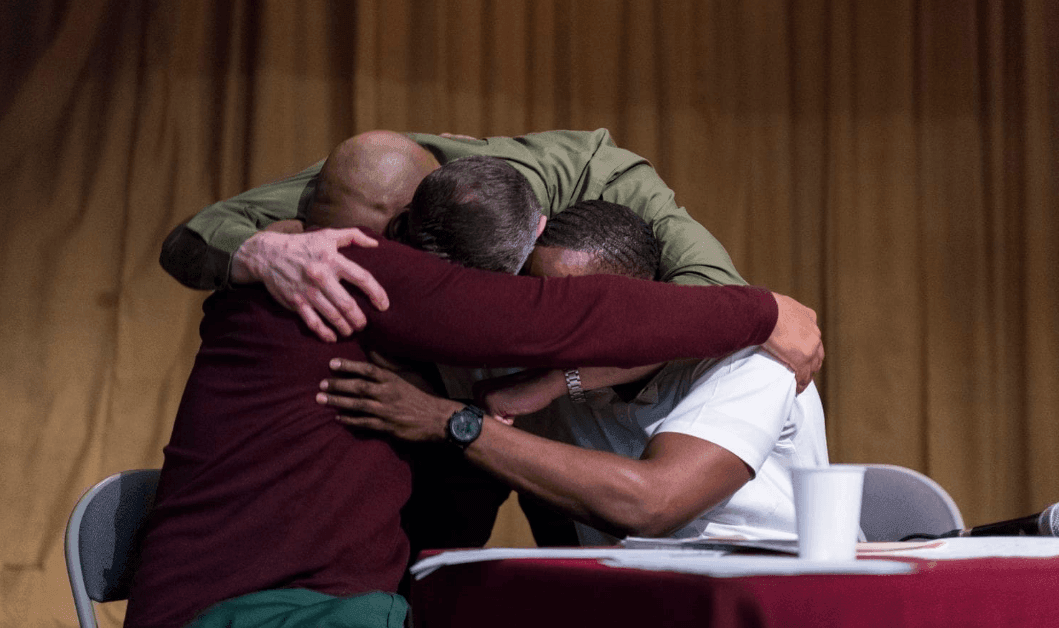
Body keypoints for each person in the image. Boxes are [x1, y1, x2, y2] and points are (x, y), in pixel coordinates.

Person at [127, 144, 814, 628]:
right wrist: (764, 310)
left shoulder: (318, 269)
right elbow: (568, 319)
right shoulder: (370, 274)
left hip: (289, 597)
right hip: (264, 607)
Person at [319, 201, 829, 544]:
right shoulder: (531, 374)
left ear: (647, 301)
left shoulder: (754, 361)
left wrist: (453, 422)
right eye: (541, 302)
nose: (557, 324)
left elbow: (652, 504)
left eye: (584, 308)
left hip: (767, 600)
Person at [159, 128, 821, 390]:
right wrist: (263, 248)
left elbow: (713, 307)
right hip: (434, 409)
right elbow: (195, 236)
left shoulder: (607, 177)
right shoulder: (386, 175)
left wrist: (555, 383)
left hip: (591, 414)